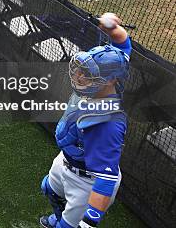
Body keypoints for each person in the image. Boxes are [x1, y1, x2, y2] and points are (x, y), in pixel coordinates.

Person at [39, 12, 132, 228]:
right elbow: (123, 44)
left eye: (87, 74)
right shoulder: (111, 69)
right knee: (49, 189)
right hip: (66, 160)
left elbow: (106, 179)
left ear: (111, 81)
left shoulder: (108, 123)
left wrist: (89, 221)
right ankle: (59, 219)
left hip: (87, 181)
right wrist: (111, 28)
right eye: (82, 69)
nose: (79, 76)